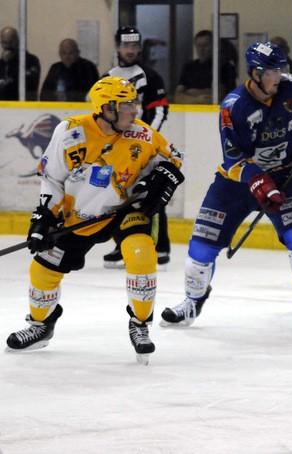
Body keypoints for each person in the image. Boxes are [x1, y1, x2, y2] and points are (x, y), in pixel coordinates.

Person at [4, 76, 185, 364]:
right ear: (107, 109)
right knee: (43, 270)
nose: (134, 110)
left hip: (125, 210)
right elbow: (52, 178)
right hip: (79, 215)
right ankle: (41, 325)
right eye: (126, 105)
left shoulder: (144, 135)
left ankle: (139, 323)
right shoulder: (71, 132)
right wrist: (43, 218)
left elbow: (174, 158)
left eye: (134, 103)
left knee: (140, 254)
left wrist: (164, 176)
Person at [159, 42, 292, 332]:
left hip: (284, 176)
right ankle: (192, 301)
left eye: (280, 69)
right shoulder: (233, 106)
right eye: (272, 71)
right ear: (255, 73)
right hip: (234, 184)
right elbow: (233, 158)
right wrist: (259, 181)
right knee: (201, 246)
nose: (279, 76)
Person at [102, 26, 172, 268]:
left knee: (152, 193)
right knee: (117, 193)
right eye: (126, 45)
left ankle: (160, 246)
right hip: (117, 148)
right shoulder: (108, 77)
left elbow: (160, 110)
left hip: (145, 148)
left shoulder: (151, 76)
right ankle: (122, 243)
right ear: (117, 47)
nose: (130, 50)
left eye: (134, 45)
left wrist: (147, 140)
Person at [175, 30, 237, 104]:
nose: (201, 49)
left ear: (214, 46)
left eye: (205, 45)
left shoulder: (224, 67)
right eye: (198, 46)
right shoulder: (188, 67)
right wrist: (199, 98)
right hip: (190, 110)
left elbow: (219, 95)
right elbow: (177, 96)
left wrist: (191, 92)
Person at [0, 26, 41, 100]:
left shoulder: (31, 60)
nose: (8, 46)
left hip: (24, 104)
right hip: (3, 104)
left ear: (17, 41)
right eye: (4, 43)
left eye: (10, 42)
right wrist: (4, 63)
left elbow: (30, 84)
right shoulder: (2, 63)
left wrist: (10, 63)